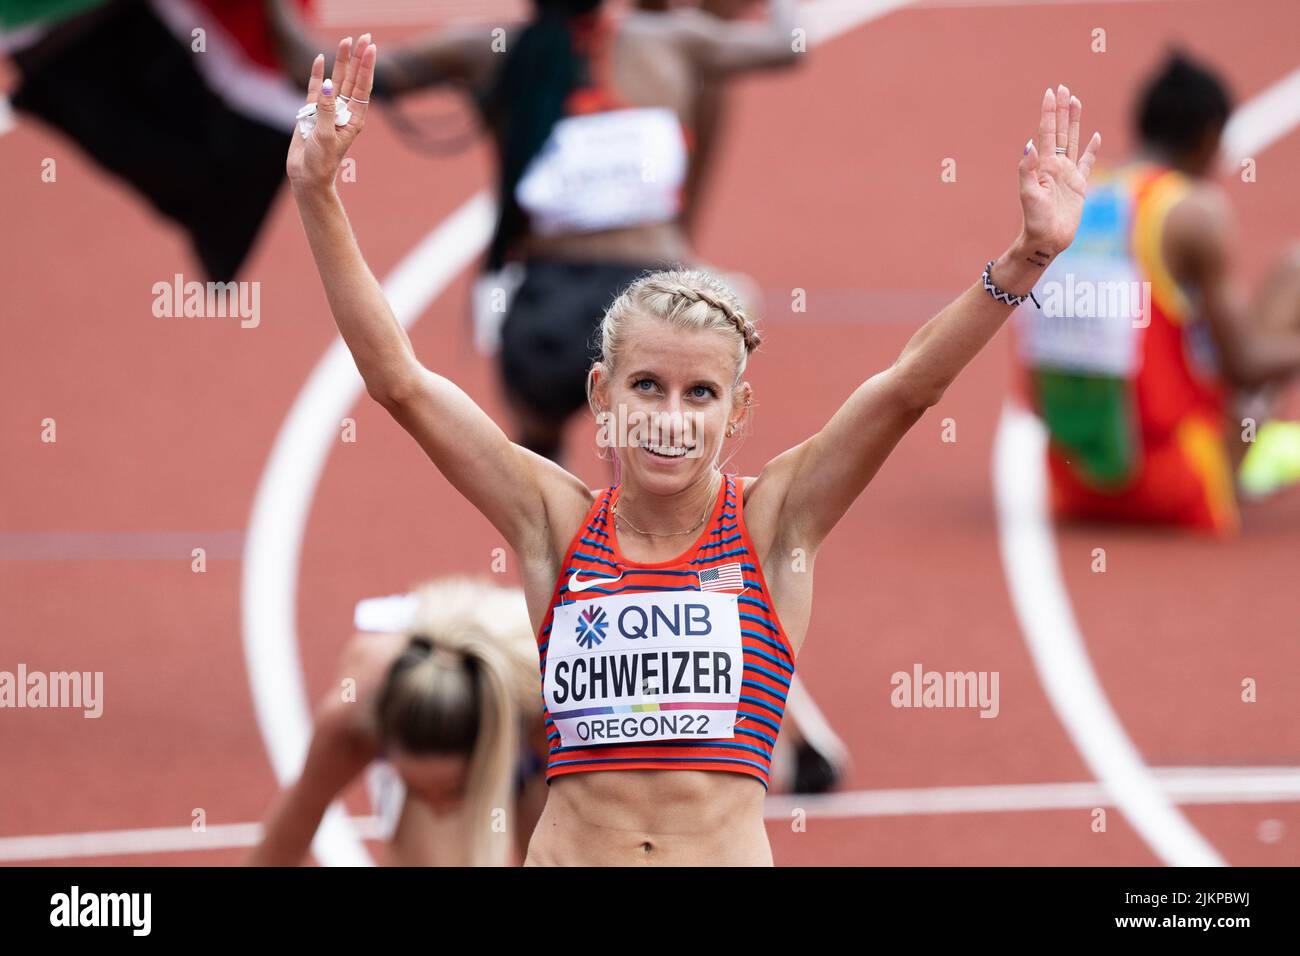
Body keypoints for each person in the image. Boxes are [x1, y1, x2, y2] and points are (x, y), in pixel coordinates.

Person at [287, 37, 1099, 864]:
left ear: (736, 411)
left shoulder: (776, 523)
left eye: (700, 393)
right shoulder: (554, 524)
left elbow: (905, 390)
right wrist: (319, 192)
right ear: (602, 395)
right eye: (647, 387)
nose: (671, 417)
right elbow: (401, 384)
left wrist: (1029, 256)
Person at [266, 0, 800, 463]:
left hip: (544, 320)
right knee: (677, 408)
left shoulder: (489, 48)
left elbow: (304, 63)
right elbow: (784, 45)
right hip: (656, 304)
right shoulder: (672, 40)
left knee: (540, 476)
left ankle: (553, 542)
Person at [1012, 51, 1300, 533]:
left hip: (1071, 478)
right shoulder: (1191, 211)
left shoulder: (1076, 199)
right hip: (1174, 483)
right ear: (1210, 138)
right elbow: (1246, 367)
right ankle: (1251, 448)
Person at [248, 578, 546, 867]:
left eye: (454, 789)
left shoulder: (548, 705)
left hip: (529, 721)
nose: (439, 808)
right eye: (416, 788)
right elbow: (291, 830)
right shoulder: (352, 717)